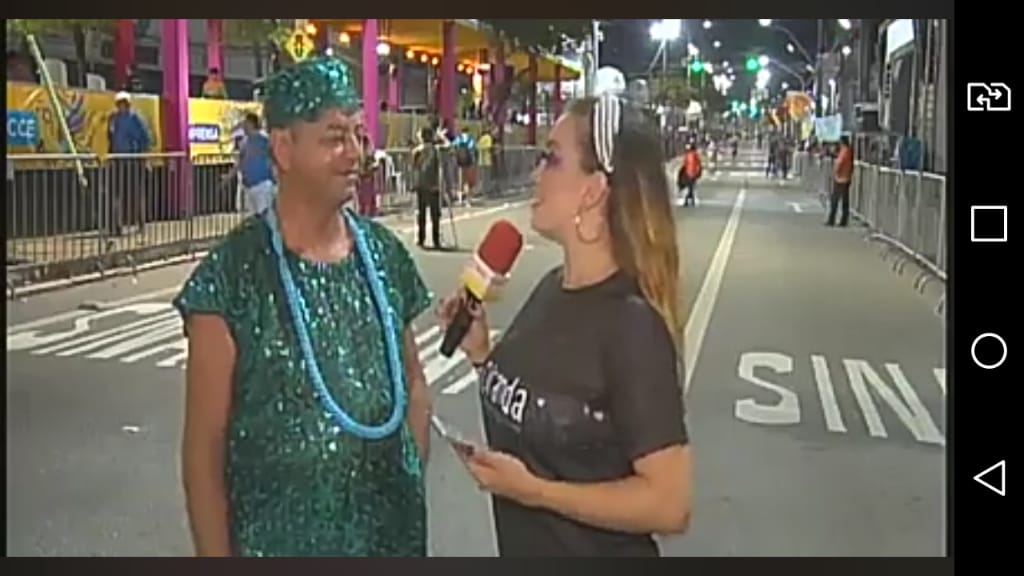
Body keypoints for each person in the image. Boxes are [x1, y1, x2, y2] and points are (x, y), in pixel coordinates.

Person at [175, 56, 433, 557]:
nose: (355, 153)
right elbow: (203, 453)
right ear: (283, 148)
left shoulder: (385, 255)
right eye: (335, 138)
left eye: (358, 134)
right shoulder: (231, 276)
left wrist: (401, 482)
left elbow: (414, 386)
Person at [437, 94, 693, 556]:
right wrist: (480, 355)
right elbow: (537, 409)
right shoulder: (551, 287)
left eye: (552, 159)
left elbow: (669, 504)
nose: (536, 174)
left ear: (593, 190)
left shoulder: (631, 325)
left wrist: (536, 492)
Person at [107, 91, 151, 235]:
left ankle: (141, 223)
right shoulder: (114, 119)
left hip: (133, 159)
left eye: (124, 104)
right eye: (119, 104)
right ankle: (117, 226)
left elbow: (145, 138)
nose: (121, 107)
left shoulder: (135, 118)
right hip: (118, 158)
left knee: (135, 192)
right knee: (117, 193)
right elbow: (111, 138)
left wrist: (143, 156)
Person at [223, 112, 275, 215]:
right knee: (254, 218)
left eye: (245, 123)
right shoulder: (245, 142)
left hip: (262, 185)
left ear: (251, 123)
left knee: (264, 216)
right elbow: (240, 162)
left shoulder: (264, 139)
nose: (243, 125)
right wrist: (228, 177)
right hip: (249, 187)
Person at [412, 126, 442, 249]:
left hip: (421, 185)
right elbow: (438, 168)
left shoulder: (417, 151)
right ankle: (436, 240)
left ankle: (421, 239)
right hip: (433, 185)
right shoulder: (435, 150)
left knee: (421, 213)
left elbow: (414, 168)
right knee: (435, 214)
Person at [827, 134, 854, 227]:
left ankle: (832, 219)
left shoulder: (844, 151)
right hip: (846, 177)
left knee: (835, 199)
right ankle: (843, 220)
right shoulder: (848, 151)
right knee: (844, 200)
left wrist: (834, 171)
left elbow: (839, 162)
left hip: (840, 178)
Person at [677, 142, 702, 207]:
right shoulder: (695, 154)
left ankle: (688, 201)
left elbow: (685, 164)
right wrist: (699, 172)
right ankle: (690, 200)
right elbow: (698, 164)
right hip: (693, 173)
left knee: (689, 187)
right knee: (691, 187)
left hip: (688, 173)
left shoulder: (688, 154)